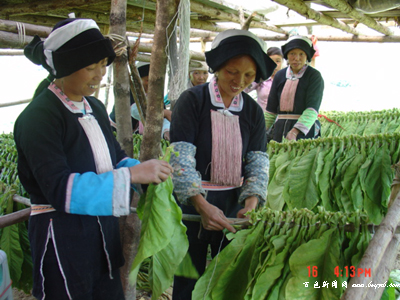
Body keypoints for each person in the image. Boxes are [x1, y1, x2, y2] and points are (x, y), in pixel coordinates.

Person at [14, 18, 173, 300]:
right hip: (63, 236)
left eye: (103, 64)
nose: (100, 74)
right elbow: (59, 188)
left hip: (102, 232)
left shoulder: (94, 106)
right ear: (62, 68)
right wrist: (133, 176)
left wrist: (148, 172)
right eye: (90, 67)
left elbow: (116, 158)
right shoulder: (39, 118)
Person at [169, 29, 276, 300]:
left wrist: (251, 204)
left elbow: (258, 161)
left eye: (249, 75)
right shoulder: (193, 101)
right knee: (187, 275)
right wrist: (201, 205)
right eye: (232, 71)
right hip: (193, 203)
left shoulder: (252, 111)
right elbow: (181, 158)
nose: (239, 81)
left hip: (232, 204)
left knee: (226, 274)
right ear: (217, 68)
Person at [265, 35, 324, 142]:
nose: (296, 58)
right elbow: (271, 109)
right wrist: (262, 130)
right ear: (287, 55)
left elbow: (312, 109)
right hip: (280, 128)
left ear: (307, 56)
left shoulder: (314, 76)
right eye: (292, 54)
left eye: (301, 54)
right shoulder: (280, 75)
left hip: (304, 130)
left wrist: (294, 132)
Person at [129, 62, 171, 140]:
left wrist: (166, 130)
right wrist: (163, 112)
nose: (151, 84)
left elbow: (163, 119)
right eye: (147, 80)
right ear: (138, 80)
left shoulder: (157, 95)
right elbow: (135, 111)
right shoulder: (131, 91)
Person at [244, 46, 283, 112]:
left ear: (282, 61)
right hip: (262, 118)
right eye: (271, 61)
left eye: (278, 61)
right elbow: (243, 89)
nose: (275, 65)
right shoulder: (261, 78)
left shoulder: (287, 79)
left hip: (280, 119)